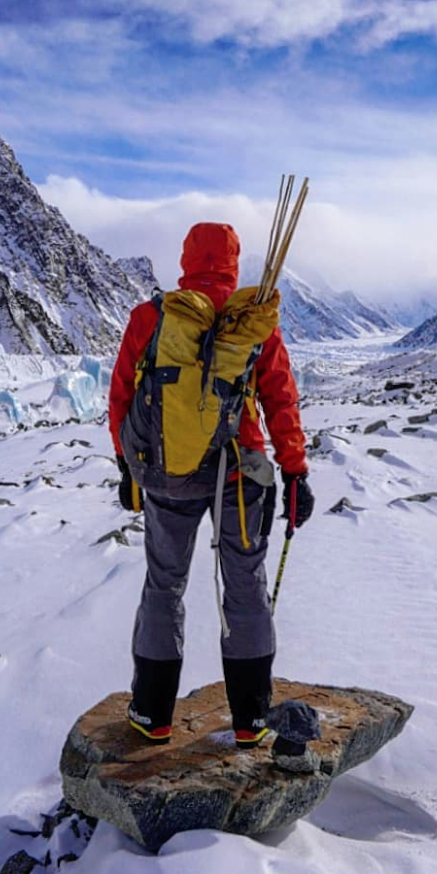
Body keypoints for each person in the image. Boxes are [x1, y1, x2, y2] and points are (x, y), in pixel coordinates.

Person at [108, 221, 314, 748]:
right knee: (244, 588)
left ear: (186, 260)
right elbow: (280, 399)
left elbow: (121, 400)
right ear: (233, 261)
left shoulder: (152, 318)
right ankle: (250, 718)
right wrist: (294, 471)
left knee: (163, 585)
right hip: (240, 472)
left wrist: (128, 469)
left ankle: (152, 714)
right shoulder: (252, 319)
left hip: (169, 473)